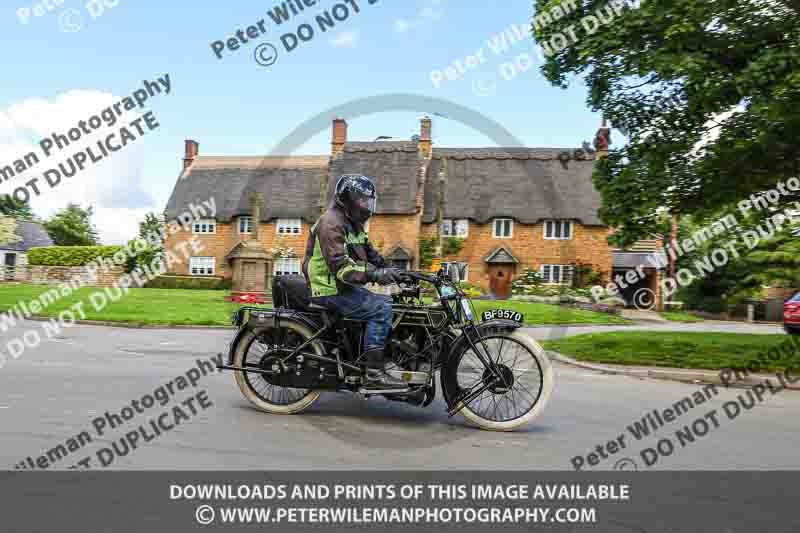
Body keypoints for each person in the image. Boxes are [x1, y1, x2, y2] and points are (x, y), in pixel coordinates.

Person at [303, 174, 406, 389]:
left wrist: (396, 271)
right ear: (349, 199)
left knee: (396, 304)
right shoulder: (331, 224)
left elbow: (370, 254)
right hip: (328, 287)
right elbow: (341, 267)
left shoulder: (353, 225)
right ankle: (374, 374)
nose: (367, 206)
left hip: (342, 285)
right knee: (381, 308)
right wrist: (375, 275)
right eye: (363, 200)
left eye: (370, 201)